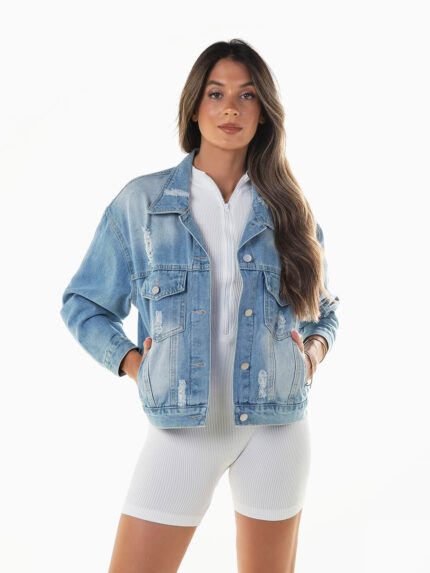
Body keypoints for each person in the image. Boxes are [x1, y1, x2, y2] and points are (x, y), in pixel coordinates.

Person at [60, 39, 340, 573]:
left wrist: (312, 354)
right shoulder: (143, 204)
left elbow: (324, 309)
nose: (231, 108)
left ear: (264, 112)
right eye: (216, 94)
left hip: (277, 427)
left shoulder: (289, 209)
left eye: (247, 95)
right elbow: (83, 302)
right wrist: (134, 364)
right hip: (182, 431)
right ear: (194, 107)